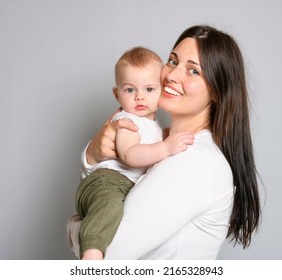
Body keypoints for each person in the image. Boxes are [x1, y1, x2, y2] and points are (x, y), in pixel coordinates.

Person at [68, 25, 261, 259]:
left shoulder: (194, 160)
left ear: (216, 92)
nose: (172, 75)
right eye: (172, 61)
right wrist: (93, 156)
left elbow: (108, 255)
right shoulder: (162, 143)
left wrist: (73, 225)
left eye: (193, 71)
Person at [73, 46, 194, 260]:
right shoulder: (126, 121)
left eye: (149, 89)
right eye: (130, 90)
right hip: (107, 183)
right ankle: (90, 261)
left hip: (121, 186)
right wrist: (165, 147)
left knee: (119, 220)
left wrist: (164, 137)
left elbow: (148, 141)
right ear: (116, 94)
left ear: (161, 90)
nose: (139, 97)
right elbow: (130, 154)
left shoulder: (151, 124)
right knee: (108, 209)